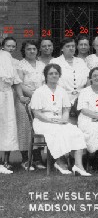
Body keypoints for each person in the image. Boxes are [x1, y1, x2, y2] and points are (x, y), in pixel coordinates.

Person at [29, 64, 90, 176]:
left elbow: (66, 109)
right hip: (42, 121)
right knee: (57, 131)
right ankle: (60, 161)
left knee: (75, 131)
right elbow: (36, 113)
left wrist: (64, 119)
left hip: (58, 120)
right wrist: (50, 120)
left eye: (56, 73)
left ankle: (78, 165)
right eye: (51, 73)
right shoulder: (39, 91)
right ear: (46, 76)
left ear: (59, 75)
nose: (54, 75)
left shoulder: (62, 91)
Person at [14, 40, 45, 170]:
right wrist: (33, 95)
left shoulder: (42, 64)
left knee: (38, 127)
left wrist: (42, 96)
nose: (32, 51)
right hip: (25, 99)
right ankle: (26, 159)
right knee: (25, 128)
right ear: (24, 51)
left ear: (37, 50)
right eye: (28, 49)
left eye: (34, 49)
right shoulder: (20, 65)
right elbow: (20, 83)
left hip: (40, 100)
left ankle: (37, 159)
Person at [50, 37, 90, 111]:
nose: (71, 48)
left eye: (73, 46)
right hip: (61, 99)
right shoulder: (55, 62)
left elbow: (88, 80)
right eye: (68, 46)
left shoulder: (80, 61)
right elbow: (51, 82)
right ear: (62, 49)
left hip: (81, 99)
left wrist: (85, 94)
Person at [0, 43, 22, 174]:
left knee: (7, 127)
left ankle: (5, 162)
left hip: (6, 97)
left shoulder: (6, 56)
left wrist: (21, 96)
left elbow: (15, 80)